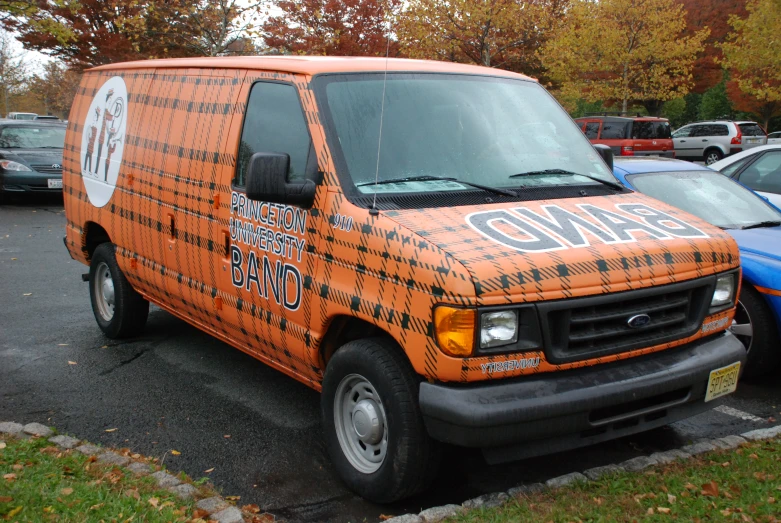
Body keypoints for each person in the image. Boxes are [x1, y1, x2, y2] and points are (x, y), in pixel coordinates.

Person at [83, 108, 99, 173]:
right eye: (94, 115)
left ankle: (89, 169)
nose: (94, 117)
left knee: (90, 156)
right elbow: (88, 135)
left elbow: (93, 137)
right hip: (89, 143)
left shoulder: (95, 128)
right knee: (87, 155)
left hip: (91, 144)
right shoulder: (91, 127)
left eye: (95, 116)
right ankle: (85, 168)